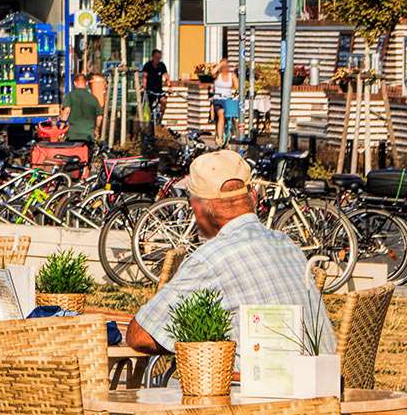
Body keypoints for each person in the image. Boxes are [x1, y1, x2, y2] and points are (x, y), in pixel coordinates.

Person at [127, 150, 333, 357]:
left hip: (263, 385)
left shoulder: (211, 258)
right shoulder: (286, 244)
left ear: (197, 208)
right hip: (323, 380)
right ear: (252, 196)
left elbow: (142, 335)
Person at [59, 70, 104, 157]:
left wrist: (61, 128)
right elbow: (99, 117)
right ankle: (86, 169)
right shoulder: (93, 98)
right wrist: (97, 129)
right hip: (88, 135)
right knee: (87, 158)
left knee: (73, 159)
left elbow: (67, 111)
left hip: (73, 135)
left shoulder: (70, 96)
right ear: (86, 83)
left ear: (75, 83)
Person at [212, 58, 239, 143]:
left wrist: (237, 94)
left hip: (228, 99)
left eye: (226, 65)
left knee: (233, 114)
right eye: (223, 66)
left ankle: (234, 133)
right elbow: (212, 72)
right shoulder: (217, 75)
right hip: (218, 99)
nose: (225, 68)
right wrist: (220, 64)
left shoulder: (232, 75)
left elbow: (237, 86)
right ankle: (220, 138)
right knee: (221, 114)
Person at [141, 50, 168, 127]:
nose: (158, 60)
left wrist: (169, 85)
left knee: (164, 101)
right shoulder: (147, 65)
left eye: (159, 58)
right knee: (147, 106)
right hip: (150, 90)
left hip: (159, 90)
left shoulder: (161, 65)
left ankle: (160, 119)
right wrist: (144, 87)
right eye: (156, 58)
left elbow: (166, 75)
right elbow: (144, 77)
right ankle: (147, 123)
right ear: (152, 57)